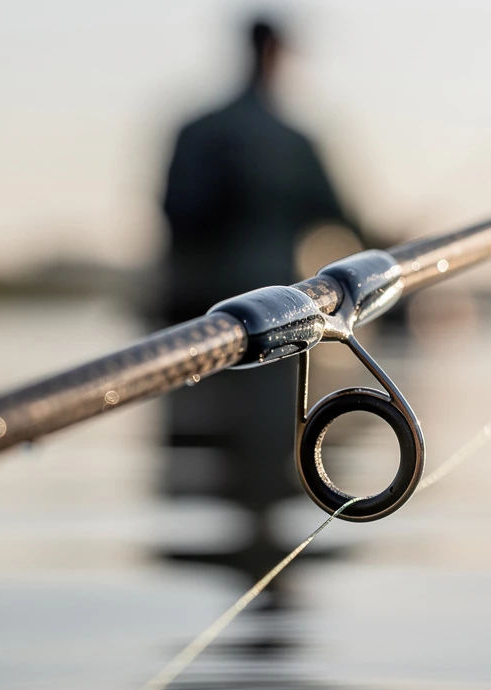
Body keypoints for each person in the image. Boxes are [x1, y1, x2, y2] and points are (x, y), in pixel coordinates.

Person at [154, 18, 355, 583]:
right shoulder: (215, 133)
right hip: (208, 318)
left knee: (264, 436)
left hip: (276, 327)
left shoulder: (291, 141)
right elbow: (177, 212)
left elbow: (344, 215)